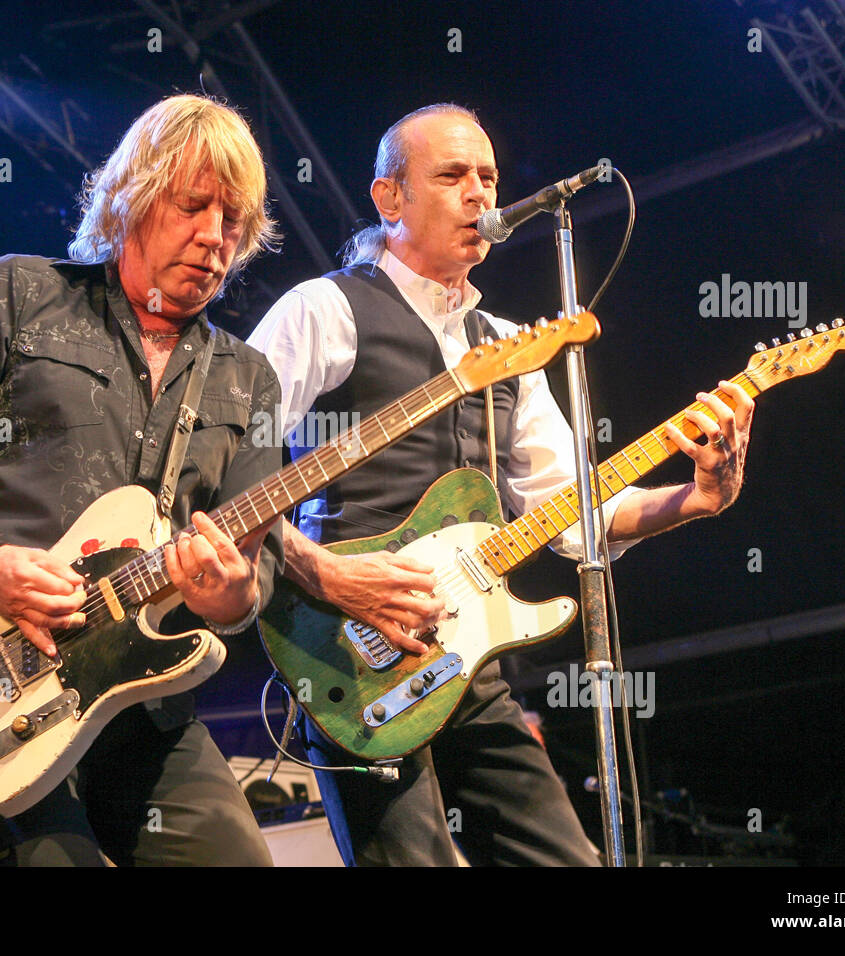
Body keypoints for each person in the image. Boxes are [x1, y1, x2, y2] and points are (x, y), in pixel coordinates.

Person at [247, 103, 754, 866]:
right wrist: (326, 573)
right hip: (350, 649)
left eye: (487, 176)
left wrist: (696, 498)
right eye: (451, 176)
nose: (480, 194)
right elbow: (225, 463)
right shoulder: (325, 310)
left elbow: (578, 512)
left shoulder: (508, 345)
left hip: (467, 657)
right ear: (389, 198)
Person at [0, 94, 285, 866]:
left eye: (233, 220)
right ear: (133, 198)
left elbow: (252, 581)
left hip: (143, 703)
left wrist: (230, 594)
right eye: (194, 206)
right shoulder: (16, 295)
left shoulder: (248, 378)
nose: (215, 238)